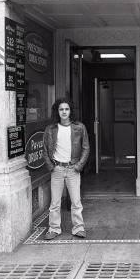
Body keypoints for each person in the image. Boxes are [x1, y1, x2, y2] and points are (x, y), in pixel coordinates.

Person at [42, 98, 90, 240]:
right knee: (55, 202)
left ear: (70, 111)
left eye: (66, 109)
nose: (64, 112)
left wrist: (79, 166)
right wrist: (51, 167)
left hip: (73, 169)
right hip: (57, 168)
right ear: (57, 111)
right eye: (61, 109)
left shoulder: (79, 127)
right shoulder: (50, 129)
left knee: (76, 201)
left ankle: (78, 228)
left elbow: (86, 148)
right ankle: (54, 228)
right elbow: (45, 150)